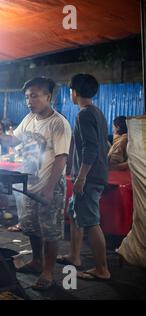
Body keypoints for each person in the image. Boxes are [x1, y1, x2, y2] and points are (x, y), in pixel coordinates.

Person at [0, 77, 72, 290]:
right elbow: (13, 141)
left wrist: (49, 188)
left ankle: (48, 272)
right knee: (31, 226)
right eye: (27, 97)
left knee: (50, 230)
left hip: (49, 185)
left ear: (48, 97)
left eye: (35, 96)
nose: (30, 101)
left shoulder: (58, 123)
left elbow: (61, 157)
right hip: (28, 183)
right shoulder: (29, 118)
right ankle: (36, 261)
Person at [57, 74, 111, 281]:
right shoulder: (97, 112)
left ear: (75, 92)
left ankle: (102, 269)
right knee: (75, 213)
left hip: (89, 178)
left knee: (90, 221)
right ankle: (74, 256)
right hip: (93, 175)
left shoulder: (84, 115)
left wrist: (81, 178)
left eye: (71, 91)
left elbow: (90, 149)